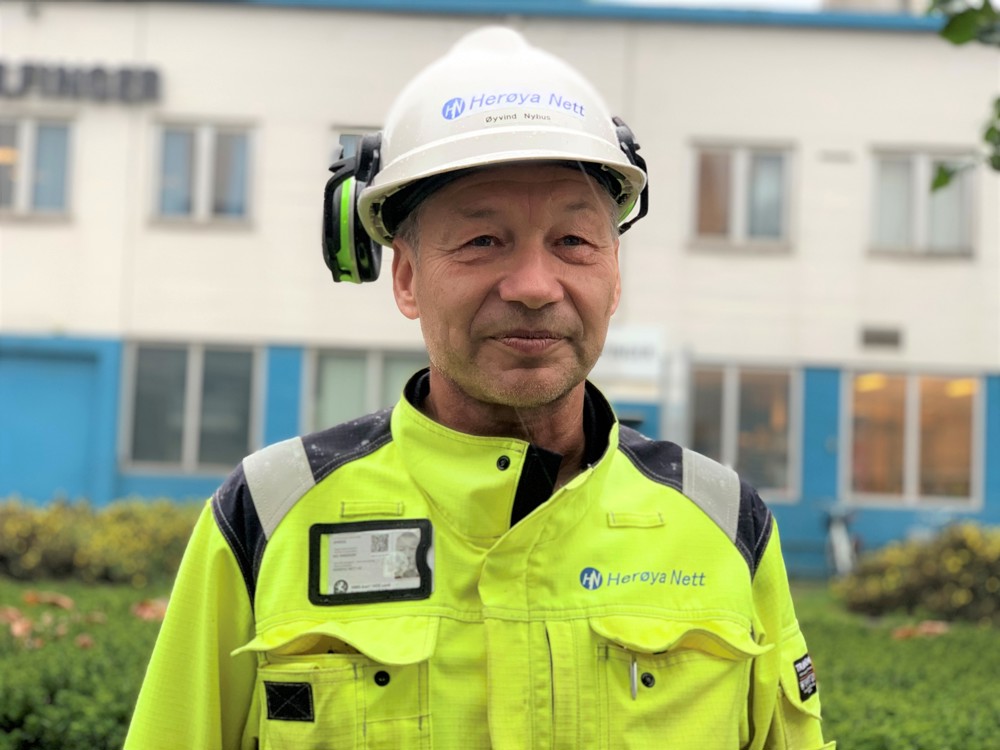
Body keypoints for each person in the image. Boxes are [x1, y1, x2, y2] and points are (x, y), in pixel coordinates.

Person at [125, 26, 834, 750]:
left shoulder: (723, 523)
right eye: (482, 242)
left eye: (574, 242)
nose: (533, 286)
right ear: (405, 277)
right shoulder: (267, 517)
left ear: (614, 275)